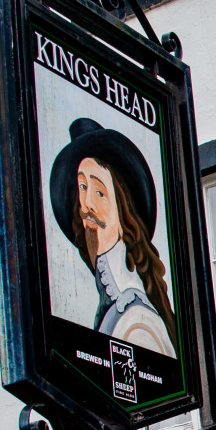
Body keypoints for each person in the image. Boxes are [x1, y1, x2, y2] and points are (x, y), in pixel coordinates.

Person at [49, 118, 177, 357]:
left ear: (123, 213)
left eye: (99, 192)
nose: (86, 205)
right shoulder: (114, 304)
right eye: (82, 188)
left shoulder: (138, 322)